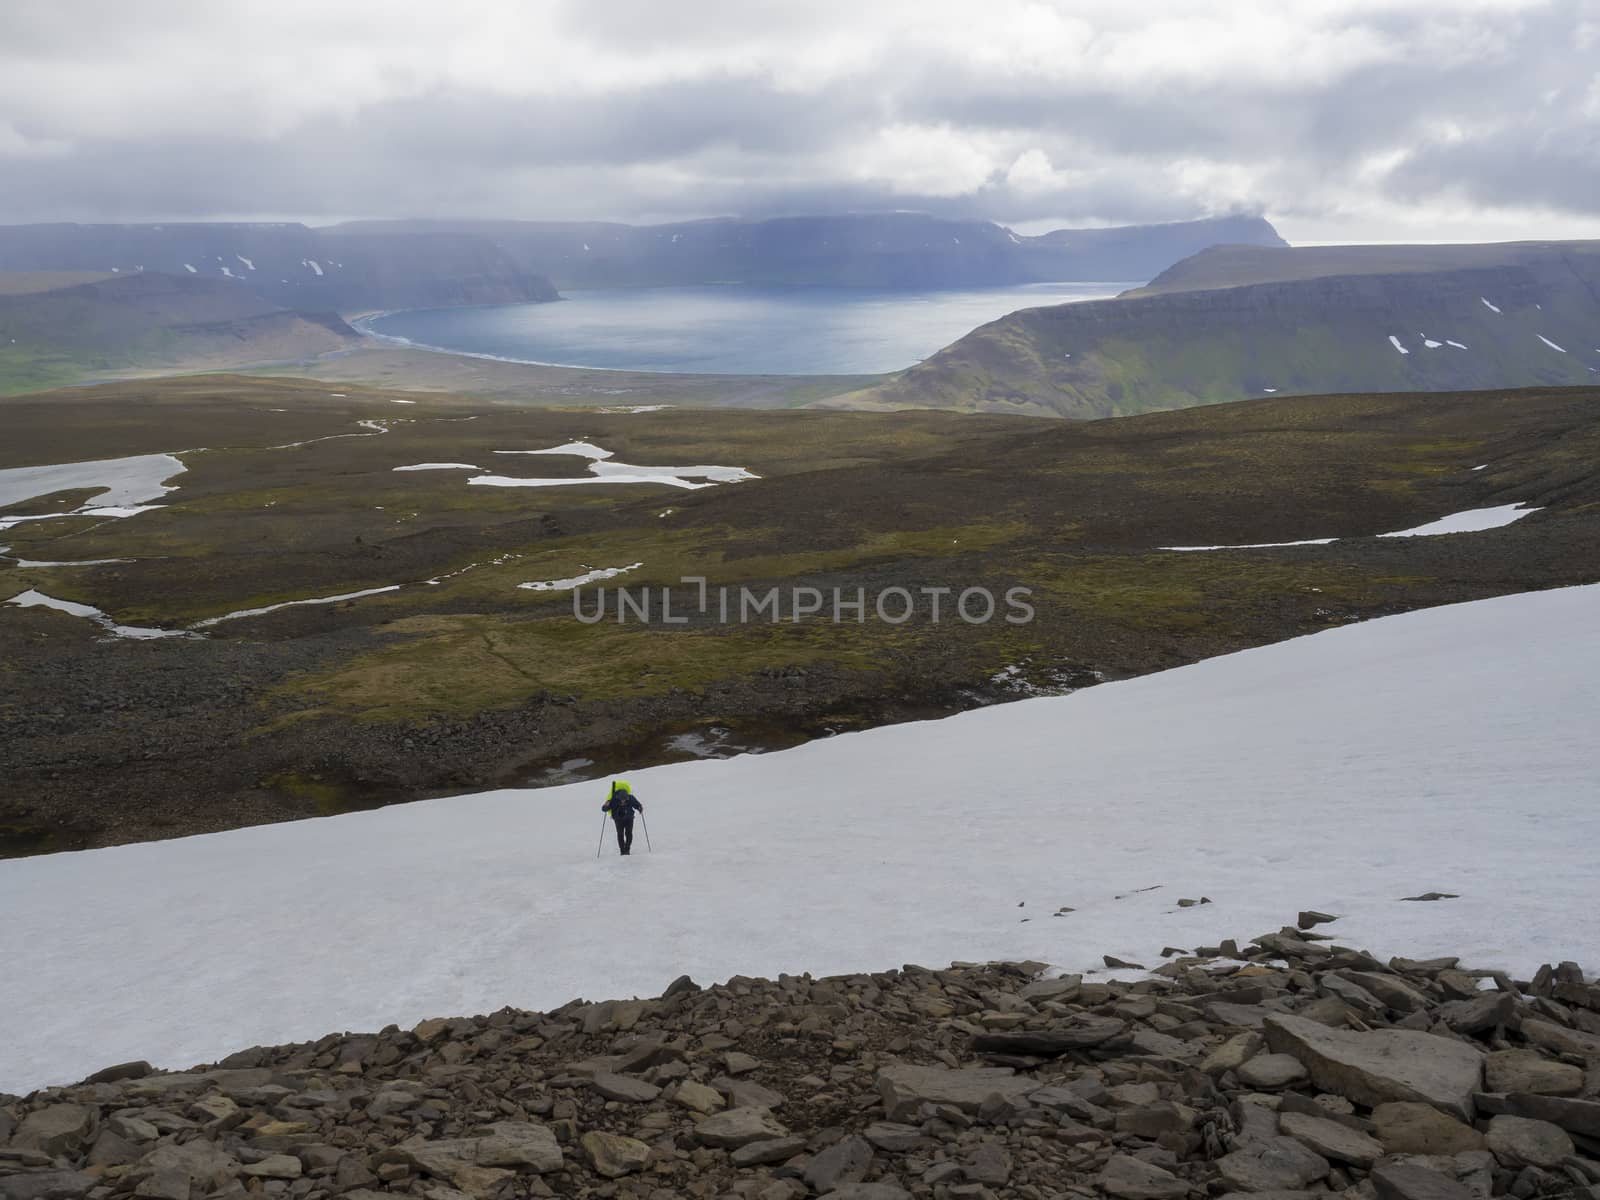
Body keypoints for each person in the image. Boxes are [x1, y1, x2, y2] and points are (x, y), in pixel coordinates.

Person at [602, 780, 643, 855]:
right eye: (622, 800)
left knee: (629, 833)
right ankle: (622, 850)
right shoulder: (613, 799)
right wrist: (605, 806)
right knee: (620, 834)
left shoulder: (630, 798)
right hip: (618, 819)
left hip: (629, 818)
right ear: (618, 797)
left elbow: (637, 804)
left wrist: (640, 808)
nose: (623, 802)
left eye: (625, 800)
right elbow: (604, 809)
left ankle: (627, 849)